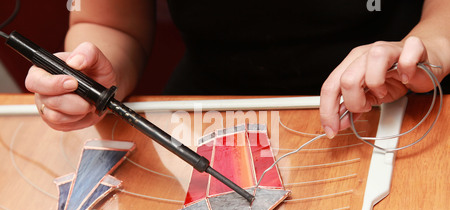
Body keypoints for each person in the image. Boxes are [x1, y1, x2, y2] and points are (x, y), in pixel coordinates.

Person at [25, 0, 450, 139]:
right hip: (213, 103)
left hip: (403, 94)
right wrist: (89, 74)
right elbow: (108, 21)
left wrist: (431, 44)